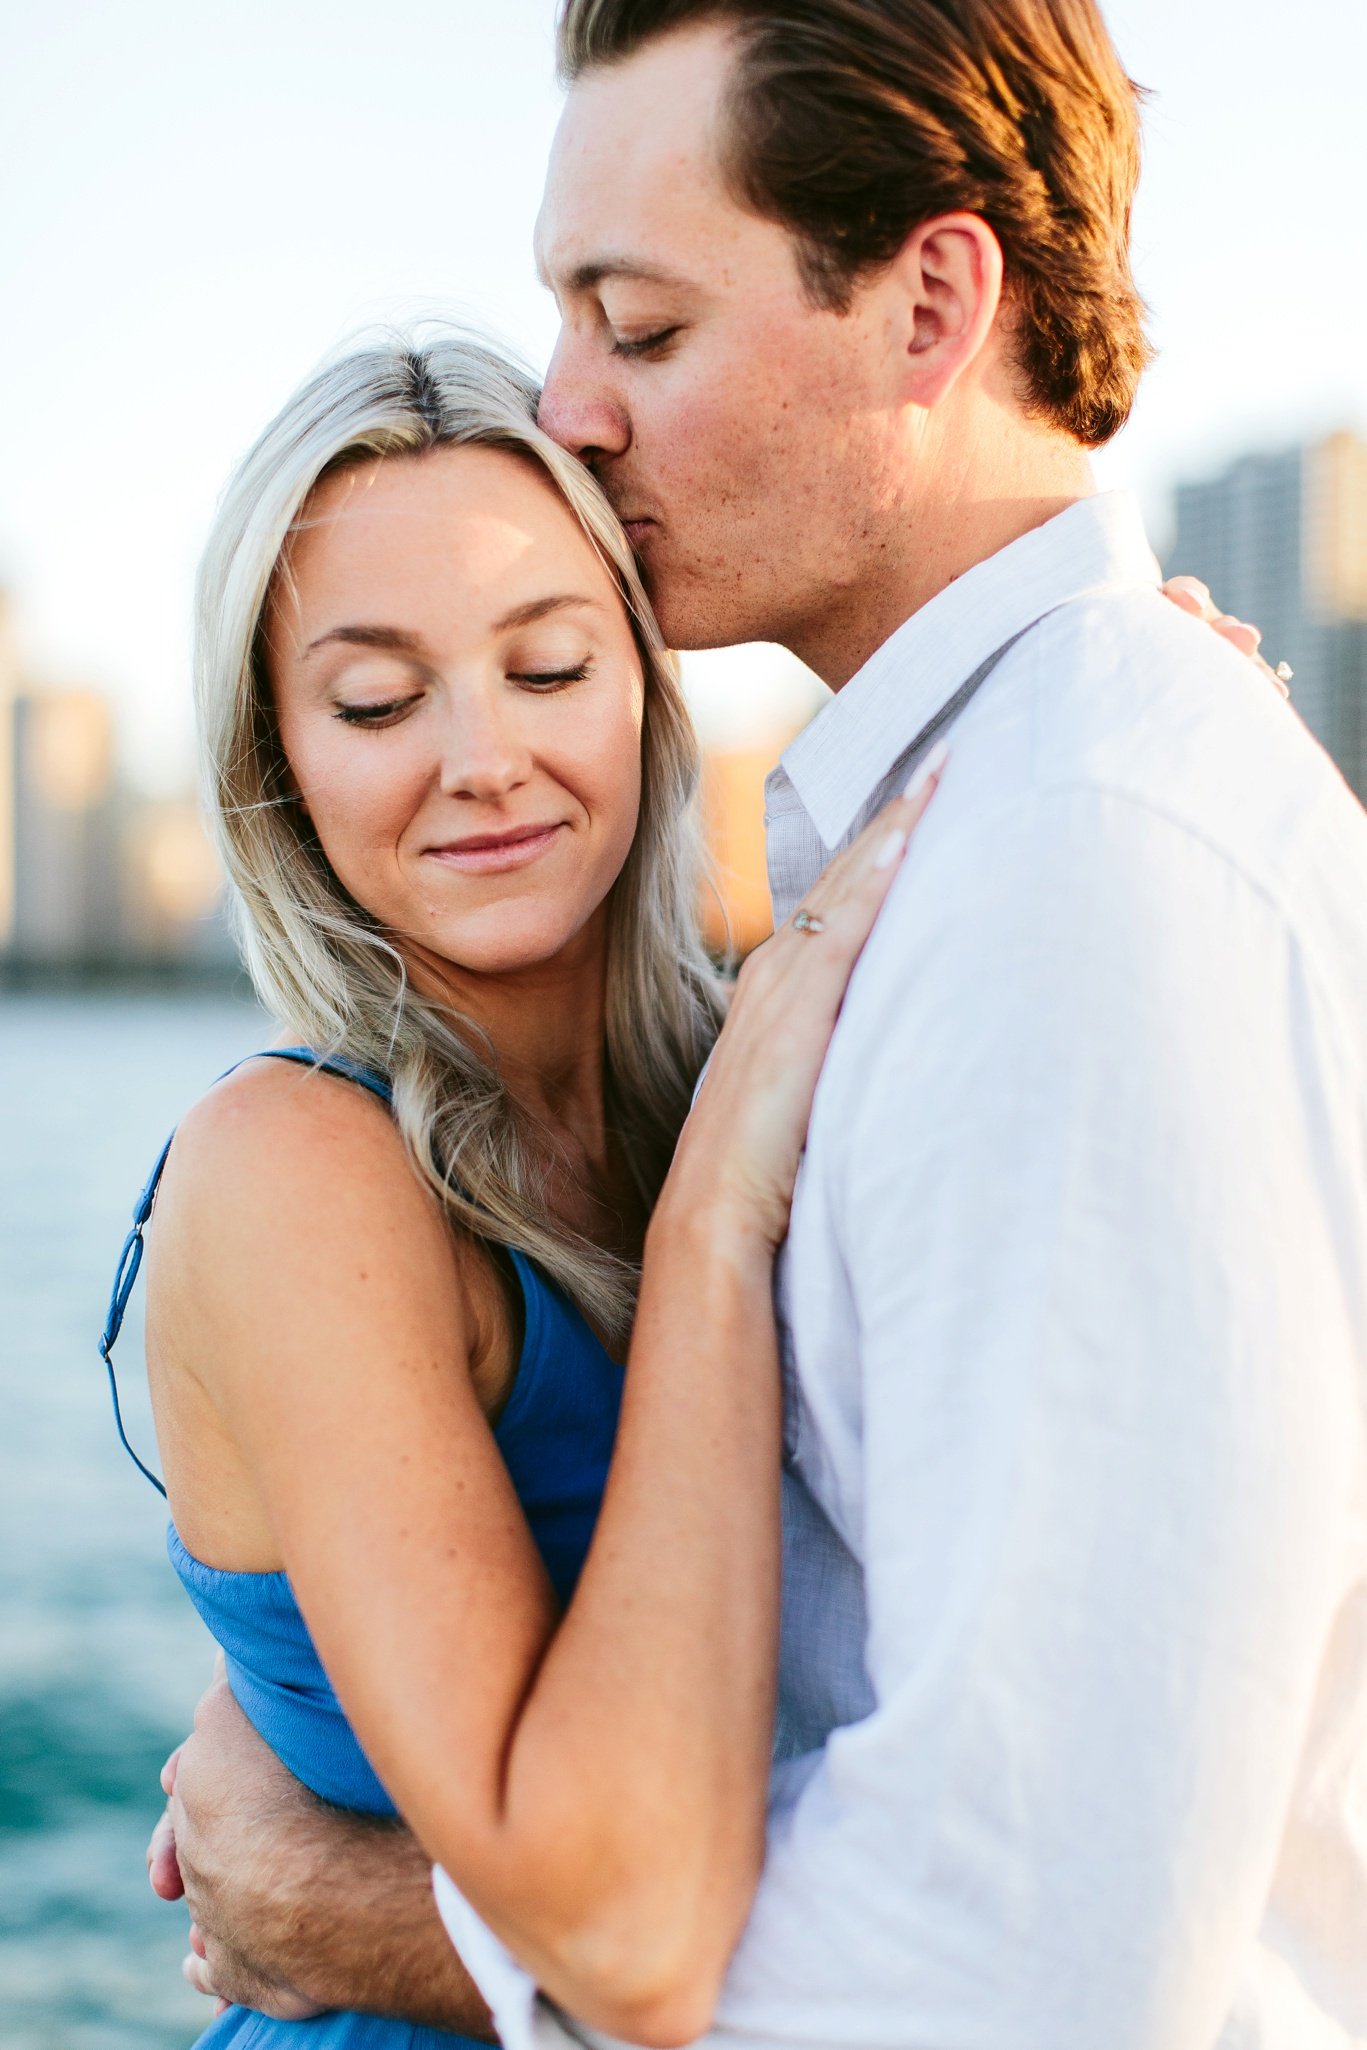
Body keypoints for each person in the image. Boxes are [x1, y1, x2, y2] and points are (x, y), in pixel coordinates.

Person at [150, 0, 1367, 2044]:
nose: (573, 404)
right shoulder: (956, 853)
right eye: (375, 697)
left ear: (930, 304)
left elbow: (1027, 1973)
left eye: (639, 324)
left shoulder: (1083, 853)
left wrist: (367, 1911)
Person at [104, 327, 951, 2050]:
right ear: (277, 758)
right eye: (376, 700)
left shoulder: (753, 1060)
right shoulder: (292, 1165)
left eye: (548, 666)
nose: (480, 757)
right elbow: (622, 1927)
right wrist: (717, 1209)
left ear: (646, 680)